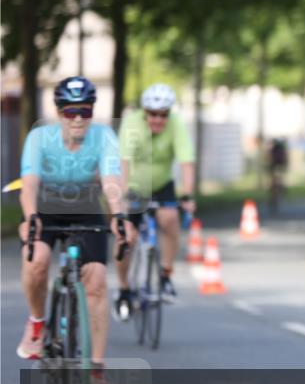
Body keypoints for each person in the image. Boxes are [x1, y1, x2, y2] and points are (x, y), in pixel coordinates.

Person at [17, 76, 135, 362]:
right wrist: (31, 217)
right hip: (46, 206)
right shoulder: (39, 138)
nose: (78, 118)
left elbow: (110, 181)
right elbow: (29, 184)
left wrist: (118, 214)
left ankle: (95, 369)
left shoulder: (104, 136)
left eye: (86, 110)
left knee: (95, 281)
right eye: (71, 111)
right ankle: (36, 324)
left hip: (85, 206)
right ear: (59, 113)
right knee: (37, 259)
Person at [115, 83, 196, 316]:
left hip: (161, 185)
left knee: (170, 219)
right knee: (125, 236)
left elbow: (186, 162)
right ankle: (123, 289)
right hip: (134, 187)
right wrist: (122, 198)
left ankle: (166, 276)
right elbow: (123, 164)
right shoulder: (132, 123)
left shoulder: (176, 125)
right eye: (152, 114)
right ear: (144, 112)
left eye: (163, 115)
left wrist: (187, 195)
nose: (158, 119)